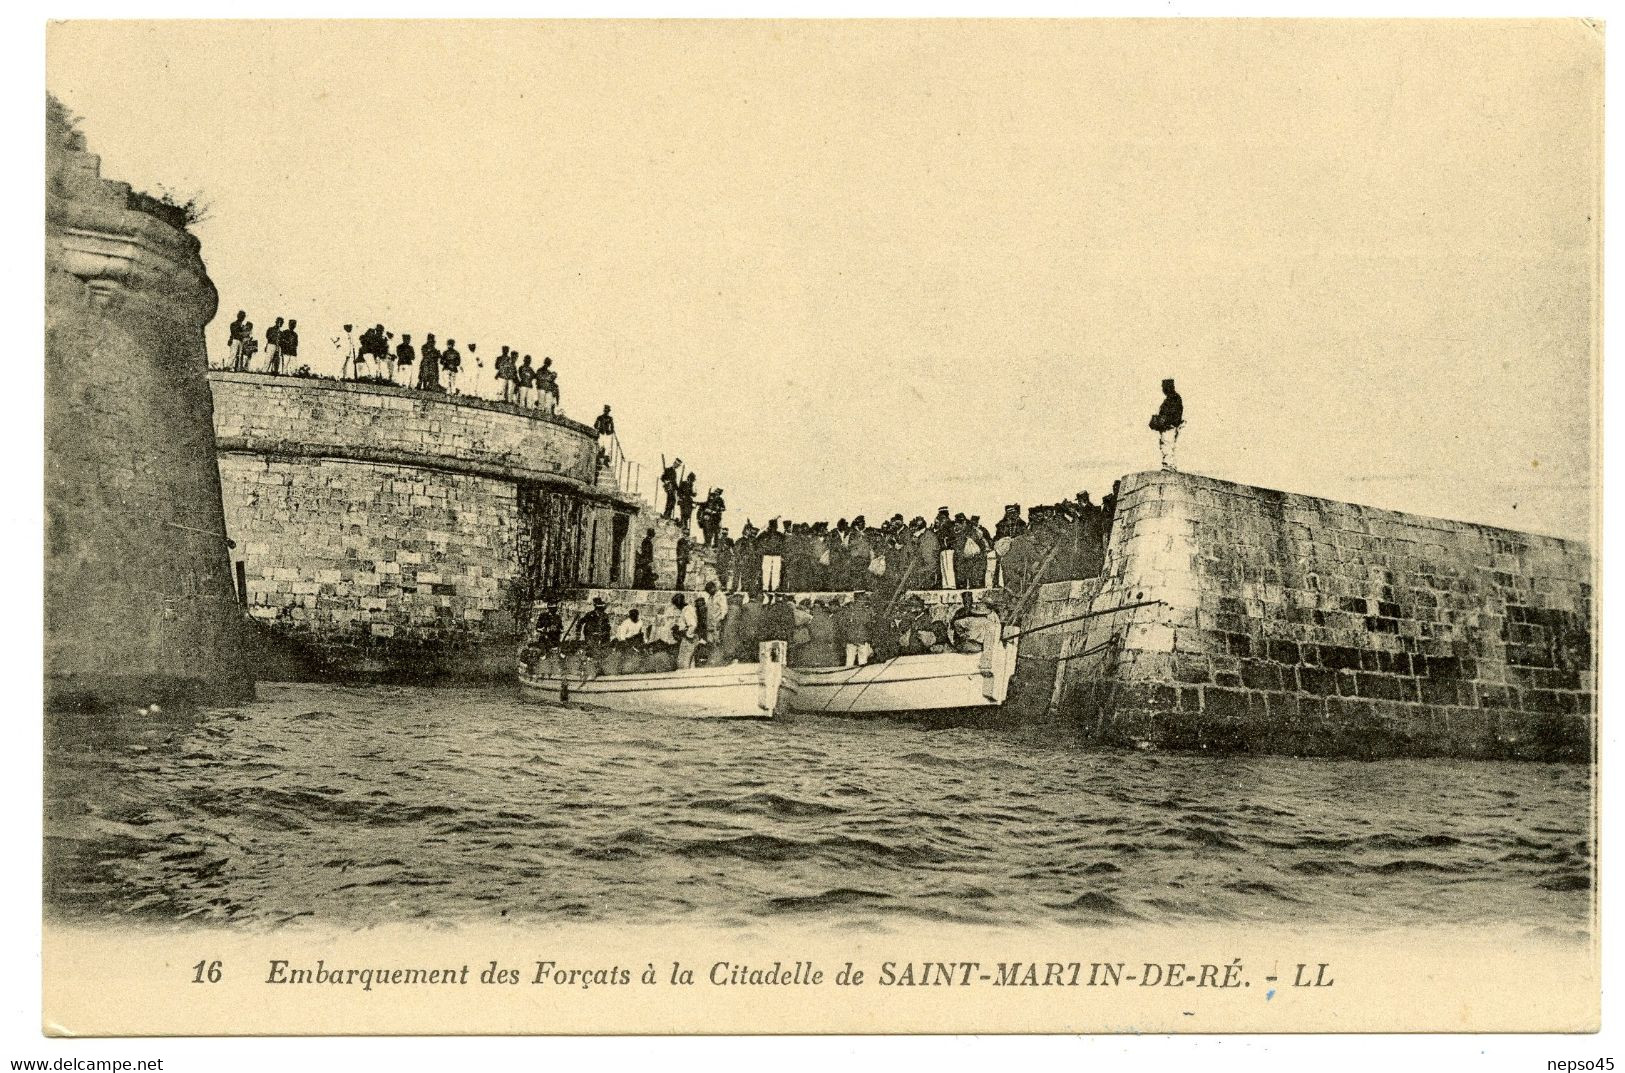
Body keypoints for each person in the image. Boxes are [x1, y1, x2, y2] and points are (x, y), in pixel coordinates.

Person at [1151, 377, 1185, 470]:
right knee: (1166, 444)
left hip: (1170, 426)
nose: (1163, 389)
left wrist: (1167, 422)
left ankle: (1169, 465)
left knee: (1167, 444)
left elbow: (1175, 414)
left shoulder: (1173, 398)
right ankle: (1170, 465)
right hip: (1168, 426)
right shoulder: (1171, 398)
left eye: (1164, 387)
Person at [672, 594, 700, 670]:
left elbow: (693, 625)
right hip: (687, 638)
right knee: (689, 661)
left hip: (689, 639)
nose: (676, 607)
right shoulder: (685, 609)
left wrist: (686, 633)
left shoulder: (688, 610)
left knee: (685, 662)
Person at [759, 519, 785, 593]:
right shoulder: (780, 535)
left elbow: (758, 541)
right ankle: (773, 588)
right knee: (775, 572)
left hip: (769, 555)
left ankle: (766, 587)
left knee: (767, 571)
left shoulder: (765, 534)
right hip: (775, 555)